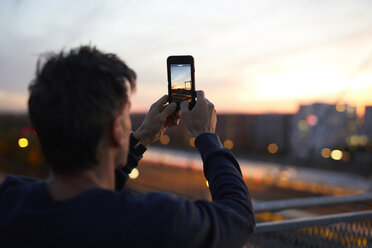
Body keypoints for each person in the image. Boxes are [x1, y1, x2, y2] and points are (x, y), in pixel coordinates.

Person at [0, 46, 255, 248]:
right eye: (125, 116)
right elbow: (238, 218)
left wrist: (142, 136)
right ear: (116, 130)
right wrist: (206, 136)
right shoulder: (154, 220)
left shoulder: (10, 200)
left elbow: (90, 196)